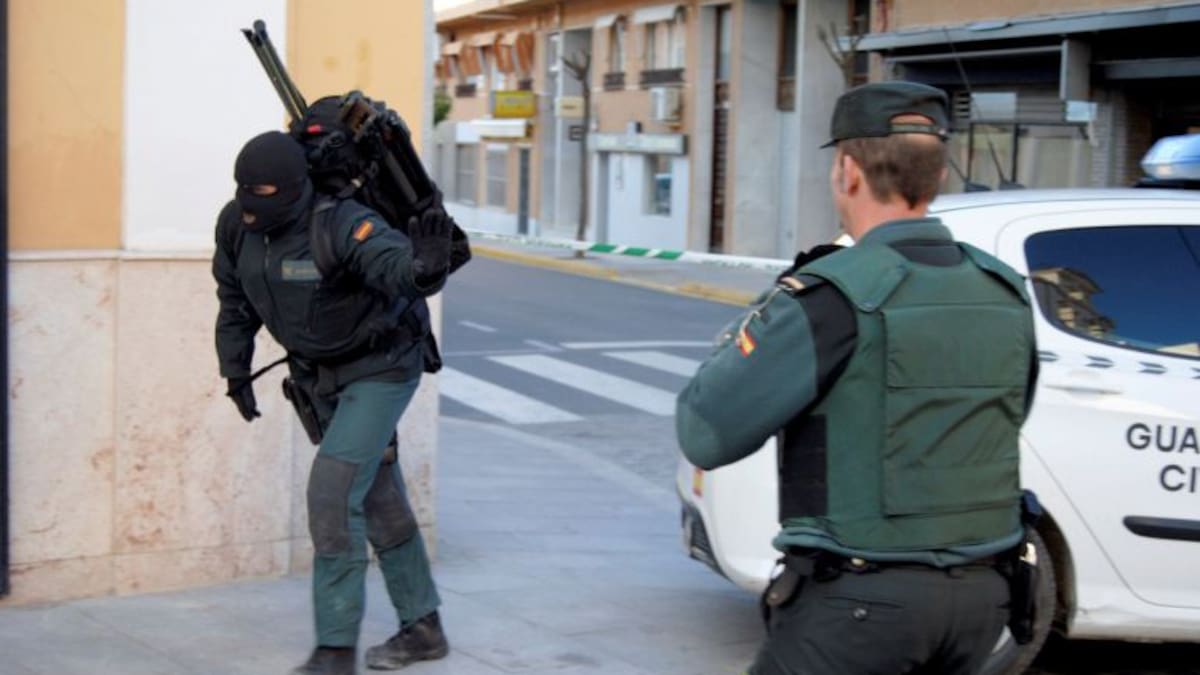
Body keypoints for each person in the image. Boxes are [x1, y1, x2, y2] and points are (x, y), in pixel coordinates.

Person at [676, 81, 1039, 675]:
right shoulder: (1003, 289)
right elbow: (1011, 411)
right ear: (937, 175)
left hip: (860, 608)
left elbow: (705, 432)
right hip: (983, 603)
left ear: (847, 170)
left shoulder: (831, 295)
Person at [213, 130, 458, 674]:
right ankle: (424, 628)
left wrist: (424, 268)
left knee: (333, 491)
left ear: (296, 189)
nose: (251, 211)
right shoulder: (238, 226)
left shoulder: (341, 222)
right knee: (374, 497)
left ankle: (334, 651)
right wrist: (236, 369)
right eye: (244, 195)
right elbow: (234, 301)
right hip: (316, 375)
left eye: (265, 196)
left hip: (381, 368)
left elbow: (392, 262)